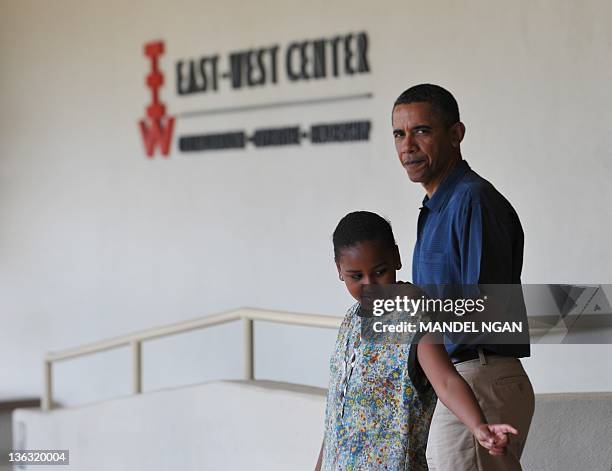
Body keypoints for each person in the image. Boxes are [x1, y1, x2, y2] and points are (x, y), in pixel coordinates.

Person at [391, 84, 535, 471]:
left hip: (477, 375)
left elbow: (484, 308)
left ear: (456, 134)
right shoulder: (435, 206)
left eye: (421, 130)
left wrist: (409, 311)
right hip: (457, 380)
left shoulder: (472, 199)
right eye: (399, 134)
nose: (408, 145)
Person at [315, 211, 518, 471]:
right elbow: (336, 417)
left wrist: (478, 426)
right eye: (356, 276)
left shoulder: (412, 314)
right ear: (339, 271)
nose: (370, 285)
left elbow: (445, 380)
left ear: (397, 258)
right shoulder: (350, 321)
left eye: (379, 272)